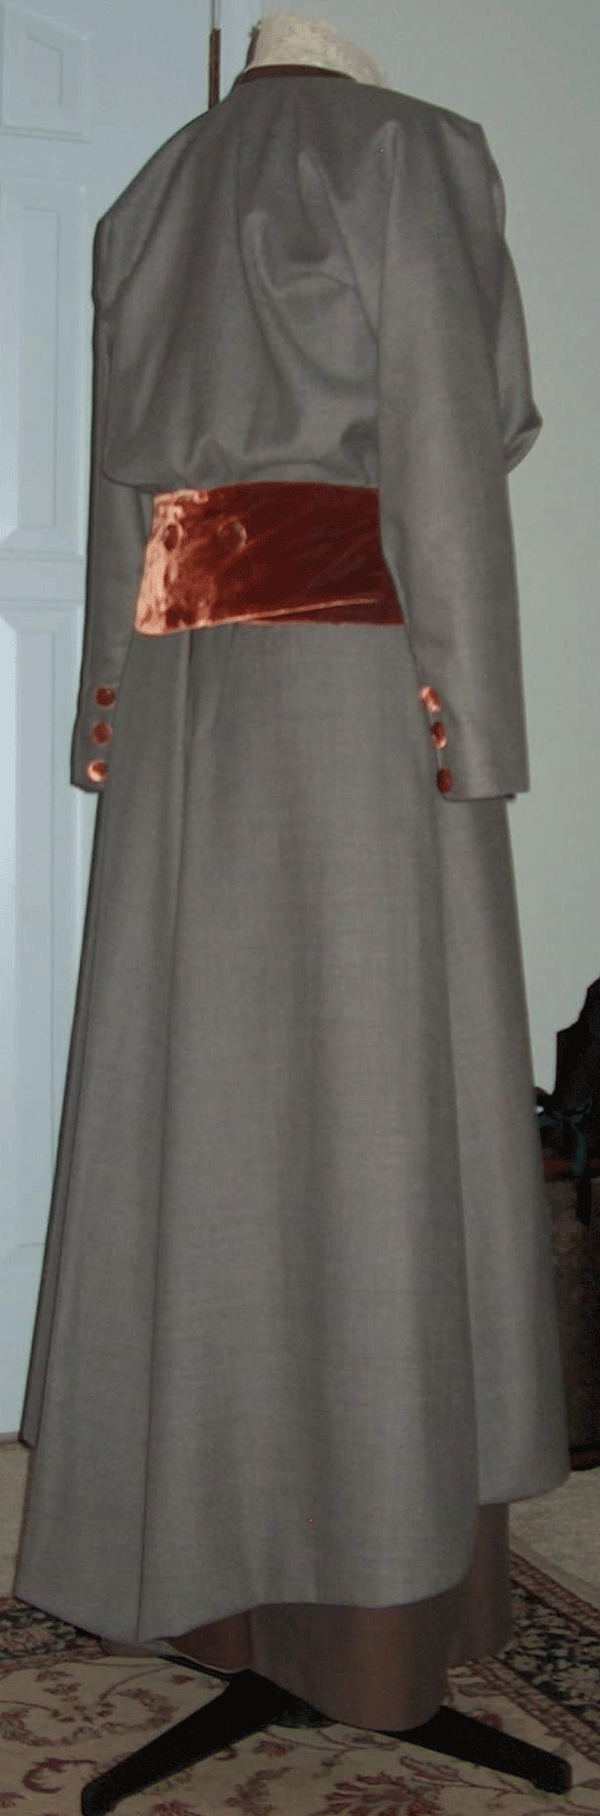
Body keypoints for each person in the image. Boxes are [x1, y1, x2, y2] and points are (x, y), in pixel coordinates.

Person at [15, 11, 569, 1733]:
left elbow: (124, 496)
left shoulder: (156, 188)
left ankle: (221, 1584)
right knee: (375, 1118)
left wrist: (110, 709)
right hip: (360, 704)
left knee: (211, 1119)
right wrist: (473, 720)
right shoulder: (415, 152)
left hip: (190, 711)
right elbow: (459, 439)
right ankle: (367, 1612)